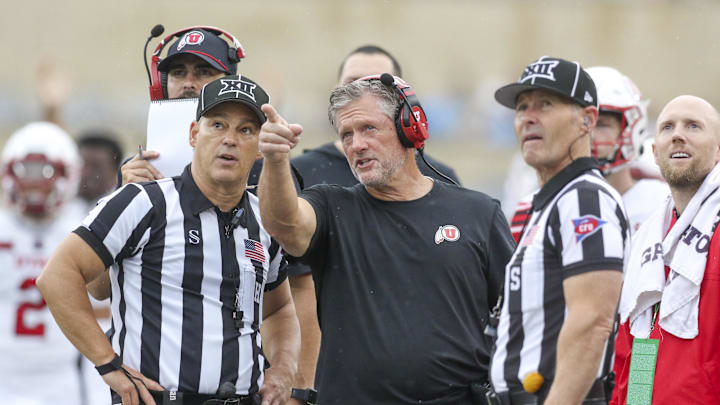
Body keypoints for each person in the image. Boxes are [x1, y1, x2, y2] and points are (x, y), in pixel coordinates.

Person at [37, 75, 300, 405]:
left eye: (245, 130)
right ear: (194, 134)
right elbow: (58, 276)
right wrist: (108, 364)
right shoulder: (144, 202)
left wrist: (285, 367)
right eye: (217, 125)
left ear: (261, 146)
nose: (230, 139)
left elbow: (279, 310)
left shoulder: (266, 218)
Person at [257, 74, 514, 404]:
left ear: (410, 128)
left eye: (368, 129)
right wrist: (276, 160)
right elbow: (284, 223)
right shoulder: (333, 208)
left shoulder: (479, 213)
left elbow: (519, 316)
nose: (355, 144)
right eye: (346, 134)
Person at [287, 44, 461, 388]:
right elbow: (294, 289)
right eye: (353, 84)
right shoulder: (301, 172)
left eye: (376, 87)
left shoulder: (441, 178)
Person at [489, 56, 630, 405]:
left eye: (546, 104)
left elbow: (593, 323)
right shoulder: (548, 202)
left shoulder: (585, 199)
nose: (529, 117)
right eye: (522, 107)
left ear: (587, 120)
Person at [611, 96, 720, 405]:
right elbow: (637, 346)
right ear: (655, 152)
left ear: (718, 151)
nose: (678, 134)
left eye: (694, 126)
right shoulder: (648, 238)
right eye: (667, 127)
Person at [0, 122, 84, 404]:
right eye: (26, 172)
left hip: (64, 377)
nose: (35, 183)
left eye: (45, 172)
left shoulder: (82, 225)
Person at [122, 26, 241, 185]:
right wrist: (127, 193)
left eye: (204, 72)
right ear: (162, 86)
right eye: (178, 73)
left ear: (230, 84)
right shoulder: (136, 170)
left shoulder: (258, 163)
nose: (188, 84)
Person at [586, 66, 670, 232]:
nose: (589, 135)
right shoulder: (556, 202)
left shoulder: (663, 203)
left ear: (629, 130)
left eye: (602, 124)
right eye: (583, 123)